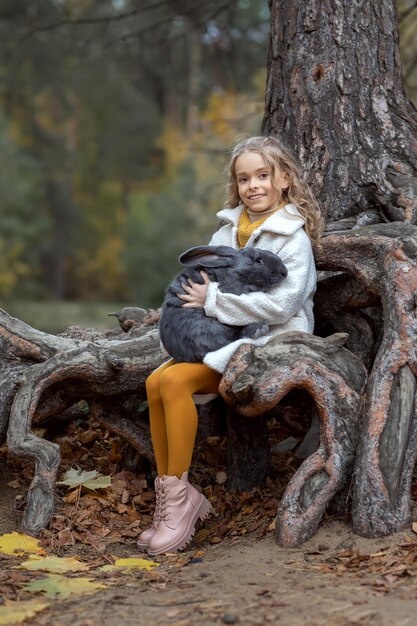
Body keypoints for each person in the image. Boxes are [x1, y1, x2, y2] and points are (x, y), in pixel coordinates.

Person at [138, 135, 323, 556]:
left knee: (176, 384)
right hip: (224, 336)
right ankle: (175, 495)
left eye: (263, 175)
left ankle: (179, 502)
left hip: (269, 341)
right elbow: (207, 275)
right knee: (154, 383)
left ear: (285, 179)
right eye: (244, 178)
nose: (253, 185)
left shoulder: (291, 237)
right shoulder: (227, 228)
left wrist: (214, 303)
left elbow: (282, 304)